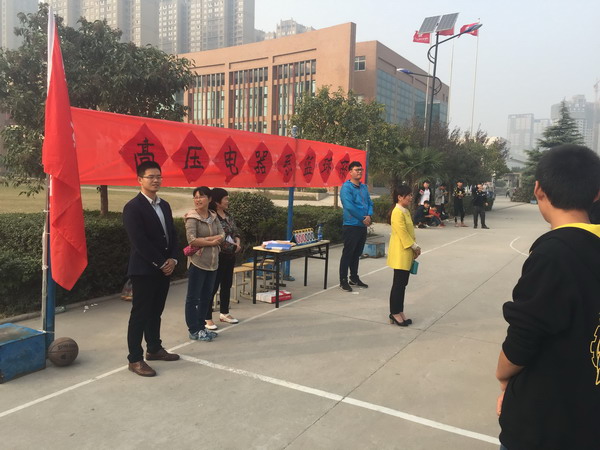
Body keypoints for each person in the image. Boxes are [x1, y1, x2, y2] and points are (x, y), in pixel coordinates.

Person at [495, 144, 600, 450]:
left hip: (546, 424)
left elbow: (523, 338)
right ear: (596, 193)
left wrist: (502, 376)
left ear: (538, 190)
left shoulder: (554, 254)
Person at [122, 161, 180, 377]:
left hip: (164, 269)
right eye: (151, 177)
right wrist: (161, 263)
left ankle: (154, 348)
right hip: (144, 270)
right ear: (140, 180)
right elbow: (139, 241)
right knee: (140, 314)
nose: (156, 180)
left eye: (158, 176)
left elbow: (172, 234)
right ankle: (135, 358)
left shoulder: (164, 205)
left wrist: (173, 259)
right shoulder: (133, 207)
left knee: (156, 311)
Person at [184, 186, 224, 341]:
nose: (198, 200)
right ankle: (194, 330)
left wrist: (207, 240)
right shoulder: (192, 218)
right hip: (198, 263)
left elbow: (222, 234)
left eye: (201, 196)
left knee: (206, 297)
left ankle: (202, 327)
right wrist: (211, 241)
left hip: (213, 263)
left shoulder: (213, 216)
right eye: (195, 197)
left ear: (210, 199)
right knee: (193, 298)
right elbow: (192, 240)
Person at [206, 188, 242, 330]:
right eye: (225, 199)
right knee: (212, 287)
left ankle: (224, 313)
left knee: (227, 284)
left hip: (230, 256)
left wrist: (237, 242)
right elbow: (216, 237)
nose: (228, 201)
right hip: (218, 256)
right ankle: (207, 317)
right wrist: (233, 247)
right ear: (217, 202)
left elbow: (236, 232)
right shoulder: (212, 217)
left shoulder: (228, 215)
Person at [387, 185, 421, 327]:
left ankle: (399, 310)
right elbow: (402, 233)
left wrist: (414, 248)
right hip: (400, 253)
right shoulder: (397, 212)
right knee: (398, 284)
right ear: (400, 197)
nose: (411, 197)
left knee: (403, 284)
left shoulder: (405, 211)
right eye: (409, 195)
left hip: (407, 252)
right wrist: (415, 247)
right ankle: (394, 312)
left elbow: (410, 232)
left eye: (411, 195)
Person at [339, 161, 373, 292]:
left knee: (357, 253)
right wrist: (362, 218)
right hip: (351, 225)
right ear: (350, 172)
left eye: (361, 170)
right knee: (348, 253)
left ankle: (354, 277)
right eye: (356, 170)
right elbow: (348, 206)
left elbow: (369, 202)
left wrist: (369, 215)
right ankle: (343, 280)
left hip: (362, 225)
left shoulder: (364, 187)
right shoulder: (346, 188)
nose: (359, 172)